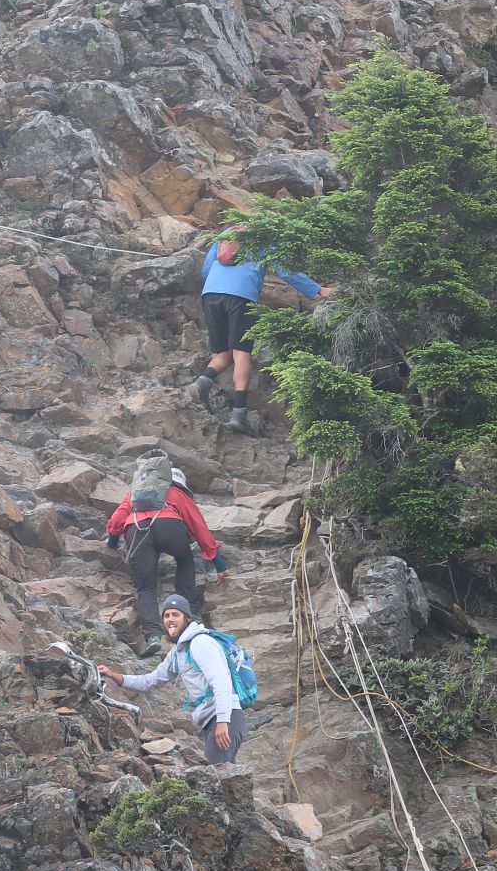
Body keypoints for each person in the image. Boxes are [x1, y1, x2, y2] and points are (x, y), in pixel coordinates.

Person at [192, 225, 335, 434]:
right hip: (241, 296)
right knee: (242, 354)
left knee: (222, 353)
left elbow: (206, 269)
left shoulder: (226, 234)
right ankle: (239, 414)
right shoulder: (265, 238)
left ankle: (199, 386)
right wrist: (317, 290)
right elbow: (286, 272)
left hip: (211, 294)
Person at [98, 594, 248, 766]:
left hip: (226, 718)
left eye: (176, 614)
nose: (170, 619)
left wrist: (223, 721)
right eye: (166, 615)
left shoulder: (200, 643)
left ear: (187, 618)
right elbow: (151, 681)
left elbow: (221, 680)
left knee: (215, 780)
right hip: (214, 721)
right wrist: (116, 676)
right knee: (227, 781)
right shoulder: (177, 653)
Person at [106, 470, 227, 659]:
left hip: (137, 531)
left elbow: (116, 520)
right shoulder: (177, 493)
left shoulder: (136, 491)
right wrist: (218, 562)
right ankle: (188, 613)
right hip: (170, 528)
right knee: (185, 559)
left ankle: (153, 637)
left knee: (145, 588)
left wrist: (112, 542)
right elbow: (198, 526)